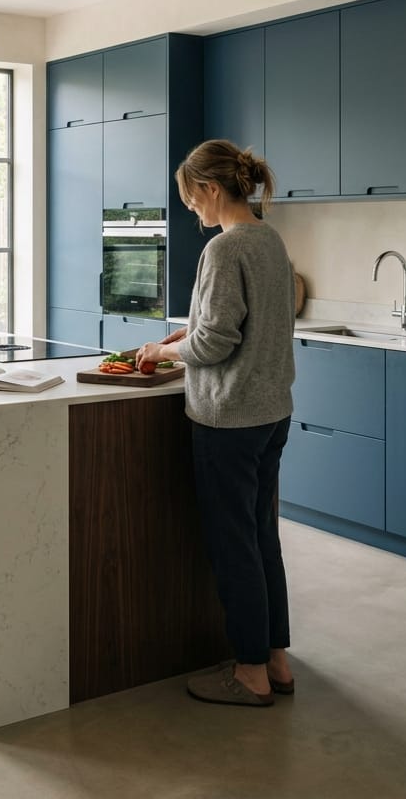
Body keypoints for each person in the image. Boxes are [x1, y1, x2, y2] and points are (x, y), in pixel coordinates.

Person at [135, 139, 296, 708]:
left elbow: (217, 340)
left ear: (209, 189)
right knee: (260, 537)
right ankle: (277, 660)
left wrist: (163, 350)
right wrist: (189, 333)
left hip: (229, 417)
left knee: (234, 547)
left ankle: (249, 672)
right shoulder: (270, 241)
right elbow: (246, 326)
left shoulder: (224, 250)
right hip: (271, 412)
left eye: (191, 199)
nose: (193, 211)